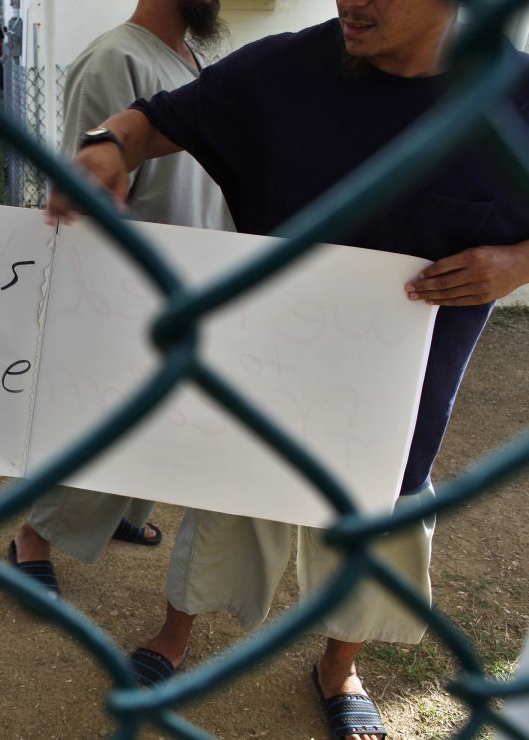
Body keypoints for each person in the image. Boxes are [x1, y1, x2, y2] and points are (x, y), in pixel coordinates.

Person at [48, 1, 529, 738]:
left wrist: (517, 263)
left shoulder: (514, 94)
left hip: (402, 406)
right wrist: (108, 145)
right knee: (223, 510)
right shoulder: (284, 69)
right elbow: (151, 119)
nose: (351, 2)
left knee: (385, 525)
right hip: (268, 374)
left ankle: (339, 667)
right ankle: (175, 635)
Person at [9, 0, 229, 596]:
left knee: (164, 417)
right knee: (112, 418)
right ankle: (34, 535)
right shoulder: (115, 58)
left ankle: (120, 514)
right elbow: (87, 187)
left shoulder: (192, 56)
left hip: (198, 277)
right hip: (138, 287)